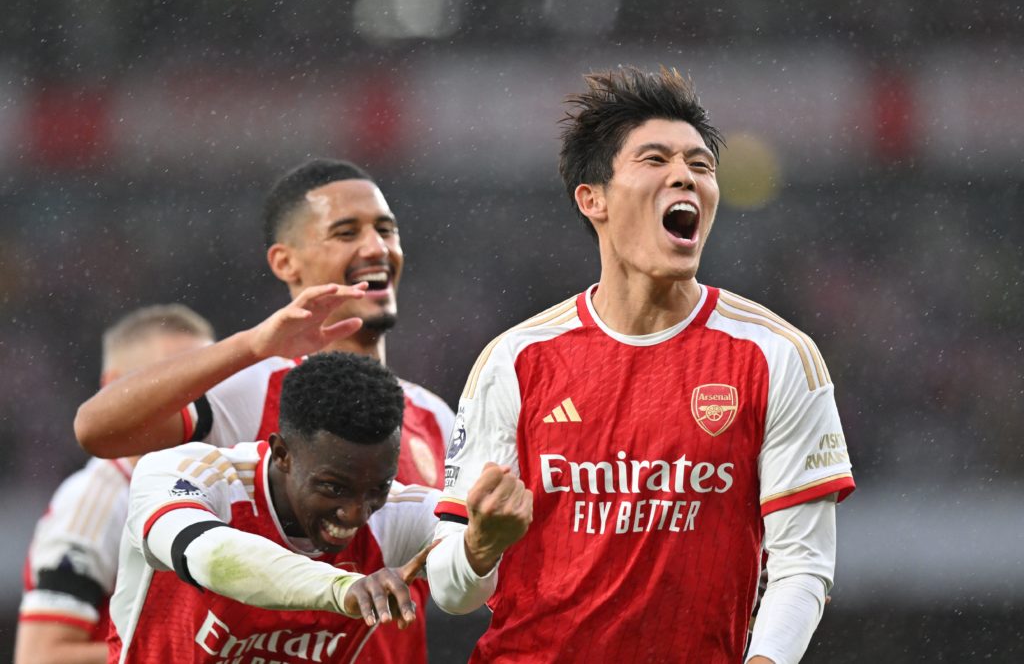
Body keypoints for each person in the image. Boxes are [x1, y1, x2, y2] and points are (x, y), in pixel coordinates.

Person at [427, 66, 856, 664]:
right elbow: (450, 593)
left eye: (701, 166)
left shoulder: (776, 357)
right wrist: (479, 545)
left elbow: (803, 567)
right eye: (655, 160)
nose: (685, 175)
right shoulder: (516, 360)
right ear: (593, 198)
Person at [74, 159, 454, 663]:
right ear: (286, 263)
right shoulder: (252, 389)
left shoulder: (434, 418)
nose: (376, 247)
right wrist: (252, 345)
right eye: (347, 232)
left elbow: (468, 571)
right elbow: (97, 430)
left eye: (387, 229)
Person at [109, 351, 440, 663]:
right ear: (282, 455)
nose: (356, 513)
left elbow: (465, 580)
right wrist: (341, 588)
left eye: (376, 489)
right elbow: (210, 558)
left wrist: (479, 545)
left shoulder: (399, 511)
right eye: (333, 487)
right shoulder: (180, 475)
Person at [16, 304, 215, 664]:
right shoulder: (99, 498)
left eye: (207, 380)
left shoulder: (213, 476)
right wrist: (183, 654)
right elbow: (40, 656)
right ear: (114, 388)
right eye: (171, 377)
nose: (193, 395)